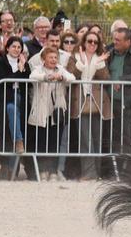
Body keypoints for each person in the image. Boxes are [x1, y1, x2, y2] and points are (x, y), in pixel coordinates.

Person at [67, 30, 111, 181]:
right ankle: (88, 172)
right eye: (89, 41)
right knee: (85, 139)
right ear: (84, 42)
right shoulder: (75, 56)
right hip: (80, 101)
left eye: (95, 42)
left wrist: (99, 63)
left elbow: (105, 78)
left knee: (97, 139)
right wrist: (81, 62)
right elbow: (71, 75)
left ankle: (96, 173)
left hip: (97, 103)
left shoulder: (100, 58)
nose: (92, 44)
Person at [28, 45, 70, 180]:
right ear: (43, 59)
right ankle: (42, 170)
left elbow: (72, 78)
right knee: (41, 141)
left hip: (57, 112)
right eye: (50, 57)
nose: (53, 60)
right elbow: (32, 76)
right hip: (41, 111)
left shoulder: (61, 69)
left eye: (55, 57)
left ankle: (53, 171)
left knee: (54, 142)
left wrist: (62, 77)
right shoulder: (38, 69)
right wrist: (47, 77)